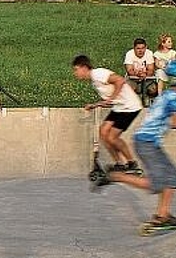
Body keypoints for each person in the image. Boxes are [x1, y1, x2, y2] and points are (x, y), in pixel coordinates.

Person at [100, 60, 176, 228]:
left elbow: (170, 121)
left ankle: (162, 215)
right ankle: (115, 176)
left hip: (148, 142)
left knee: (171, 177)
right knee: (157, 183)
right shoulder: (173, 97)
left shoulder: (167, 95)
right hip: (146, 143)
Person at [72, 55, 143, 173]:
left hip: (130, 106)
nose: (75, 73)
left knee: (112, 137)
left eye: (76, 69)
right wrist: (94, 105)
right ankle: (120, 163)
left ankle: (132, 164)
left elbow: (120, 80)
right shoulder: (94, 81)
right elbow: (108, 101)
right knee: (103, 132)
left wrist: (112, 98)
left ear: (84, 67)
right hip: (120, 107)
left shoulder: (98, 74)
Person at [124, 37, 158, 102]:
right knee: (129, 89)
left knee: (153, 90)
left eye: (143, 48)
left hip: (147, 78)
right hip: (133, 78)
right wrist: (137, 74)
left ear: (145, 48)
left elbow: (151, 69)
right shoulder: (129, 54)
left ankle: (148, 98)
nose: (140, 51)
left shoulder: (149, 53)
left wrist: (145, 74)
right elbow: (129, 70)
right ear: (134, 48)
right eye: (138, 48)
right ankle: (135, 99)